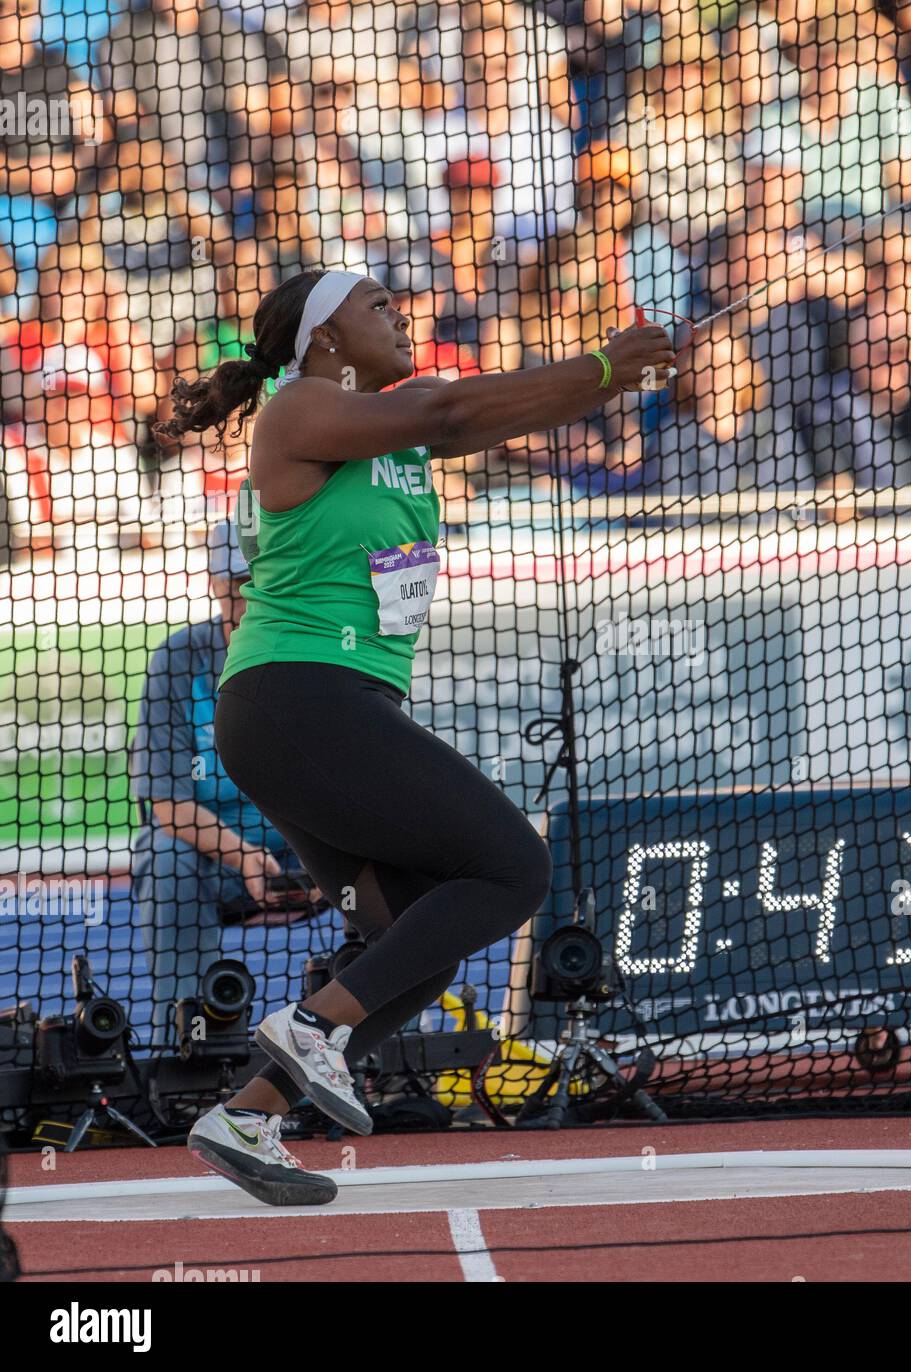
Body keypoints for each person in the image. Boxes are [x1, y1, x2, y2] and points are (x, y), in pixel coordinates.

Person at [163, 267, 673, 1205]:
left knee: (412, 936)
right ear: (323, 337)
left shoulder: (394, 430)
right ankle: (314, 1030)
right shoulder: (299, 409)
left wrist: (606, 382)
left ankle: (248, 1114)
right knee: (513, 869)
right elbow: (446, 414)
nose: (398, 314)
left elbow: (471, 416)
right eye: (374, 305)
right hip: (296, 697)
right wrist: (603, 360)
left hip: (322, 709)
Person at [127, 519, 318, 1047]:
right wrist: (245, 858)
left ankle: (370, 1052)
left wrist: (333, 855)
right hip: (219, 860)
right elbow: (167, 803)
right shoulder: (177, 659)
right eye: (238, 586)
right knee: (165, 860)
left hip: (312, 851)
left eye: (263, 581)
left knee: (387, 851)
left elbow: (353, 781)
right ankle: (190, 1044)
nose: (251, 597)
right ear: (215, 586)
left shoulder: (314, 652)